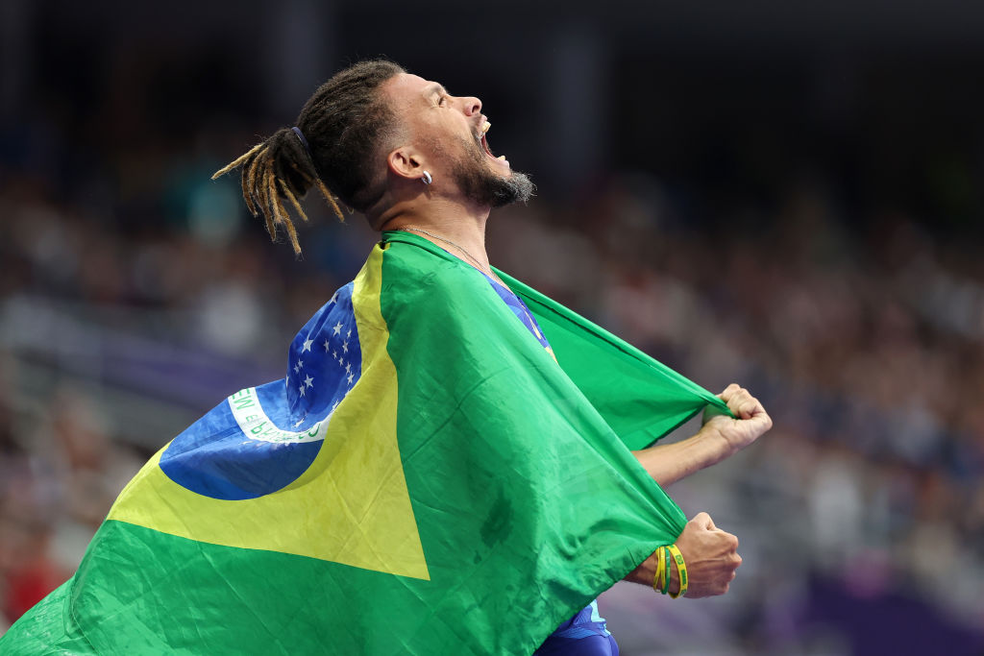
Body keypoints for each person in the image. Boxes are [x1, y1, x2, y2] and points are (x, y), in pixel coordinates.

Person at [1, 59, 771, 655]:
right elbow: (529, 501)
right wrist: (671, 554)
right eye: (439, 100)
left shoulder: (421, 292)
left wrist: (695, 465)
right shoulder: (438, 300)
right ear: (407, 164)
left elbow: (505, 488)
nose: (473, 105)